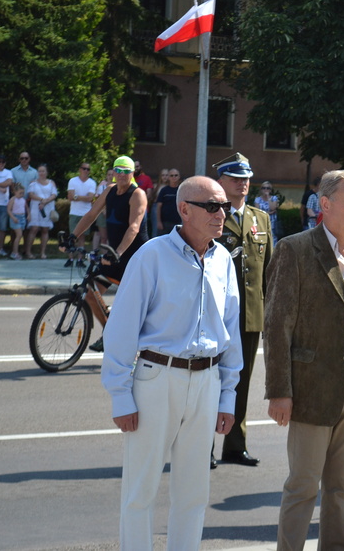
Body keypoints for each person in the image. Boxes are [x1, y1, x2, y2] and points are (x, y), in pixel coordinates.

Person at [101, 175, 243, 550]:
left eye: (224, 207)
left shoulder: (223, 259)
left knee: (194, 490)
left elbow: (230, 332)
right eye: (211, 206)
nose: (221, 214)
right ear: (184, 209)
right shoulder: (152, 255)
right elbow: (121, 329)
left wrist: (228, 396)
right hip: (156, 378)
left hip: (207, 381)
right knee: (140, 489)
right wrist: (120, 395)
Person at [265, 170, 344, 551]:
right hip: (311, 388)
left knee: (341, 487)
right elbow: (276, 327)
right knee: (303, 486)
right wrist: (279, 391)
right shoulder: (295, 249)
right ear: (325, 205)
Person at [213, 153, 272, 468]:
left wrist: (269, 314)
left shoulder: (259, 218)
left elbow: (268, 271)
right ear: (221, 181)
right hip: (215, 315)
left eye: (247, 178)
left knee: (242, 381)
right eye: (236, 178)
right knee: (210, 381)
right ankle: (202, 445)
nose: (244, 183)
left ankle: (235, 445)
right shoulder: (210, 213)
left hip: (249, 315)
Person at [68, 155, 149, 352]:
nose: (121, 175)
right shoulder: (110, 191)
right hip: (114, 253)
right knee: (90, 294)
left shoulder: (137, 194)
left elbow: (134, 228)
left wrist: (118, 252)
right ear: (113, 173)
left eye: (125, 171)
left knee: (127, 303)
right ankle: (109, 333)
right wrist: (72, 236)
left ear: (132, 173)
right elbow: (90, 215)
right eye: (117, 171)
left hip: (135, 257)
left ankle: (135, 342)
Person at [24, 164, 58, 260]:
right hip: (35, 208)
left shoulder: (51, 183)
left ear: (46, 172)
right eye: (40, 171)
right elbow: (31, 194)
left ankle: (42, 252)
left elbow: (54, 195)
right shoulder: (33, 183)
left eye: (43, 171)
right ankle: (28, 252)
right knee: (34, 229)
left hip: (48, 208)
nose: (41, 173)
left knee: (45, 230)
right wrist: (42, 199)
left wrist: (46, 201)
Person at [67, 162, 97, 254]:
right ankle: (71, 258)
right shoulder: (72, 181)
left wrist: (76, 196)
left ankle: (80, 259)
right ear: (80, 169)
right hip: (74, 212)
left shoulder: (92, 183)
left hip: (85, 213)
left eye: (87, 169)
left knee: (82, 236)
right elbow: (70, 197)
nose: (85, 171)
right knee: (72, 236)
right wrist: (84, 197)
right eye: (84, 168)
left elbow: (90, 198)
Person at [6, 183, 30, 260]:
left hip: (22, 217)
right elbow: (9, 210)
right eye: (20, 193)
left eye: (23, 193)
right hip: (15, 217)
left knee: (20, 235)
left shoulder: (23, 200)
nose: (21, 194)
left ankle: (15, 251)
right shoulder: (13, 199)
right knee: (19, 235)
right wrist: (13, 218)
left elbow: (26, 208)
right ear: (15, 192)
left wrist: (28, 214)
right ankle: (14, 252)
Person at [156, 169, 182, 236]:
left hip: (178, 223)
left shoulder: (182, 190)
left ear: (179, 177)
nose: (174, 177)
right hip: (165, 223)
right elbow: (158, 207)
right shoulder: (164, 190)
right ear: (168, 177)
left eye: (176, 175)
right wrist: (159, 222)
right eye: (171, 175)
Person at [254, 180, 280, 245]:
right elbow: (257, 211)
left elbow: (272, 208)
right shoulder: (257, 199)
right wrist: (269, 213)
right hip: (261, 221)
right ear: (261, 189)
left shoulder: (274, 198)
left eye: (268, 188)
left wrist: (268, 198)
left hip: (272, 223)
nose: (266, 189)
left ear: (271, 190)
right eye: (264, 188)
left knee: (272, 238)